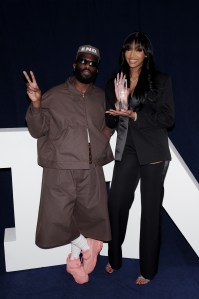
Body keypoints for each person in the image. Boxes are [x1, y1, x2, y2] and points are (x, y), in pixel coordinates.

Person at [23, 44, 113, 284]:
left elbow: (110, 124)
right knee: (57, 220)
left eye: (93, 63)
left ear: (97, 70)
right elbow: (37, 130)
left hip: (91, 168)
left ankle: (74, 262)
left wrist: (102, 142)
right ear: (75, 65)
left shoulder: (102, 97)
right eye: (83, 61)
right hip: (60, 168)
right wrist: (36, 104)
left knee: (88, 218)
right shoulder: (52, 95)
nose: (87, 66)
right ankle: (86, 247)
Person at [105, 32, 175, 284]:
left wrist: (135, 115)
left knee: (150, 211)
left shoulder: (160, 80)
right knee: (116, 203)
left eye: (138, 49)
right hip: (127, 148)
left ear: (146, 53)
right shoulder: (116, 79)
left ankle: (149, 269)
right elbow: (110, 119)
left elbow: (168, 118)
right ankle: (114, 257)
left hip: (153, 150)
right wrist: (117, 104)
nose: (132, 54)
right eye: (128, 49)